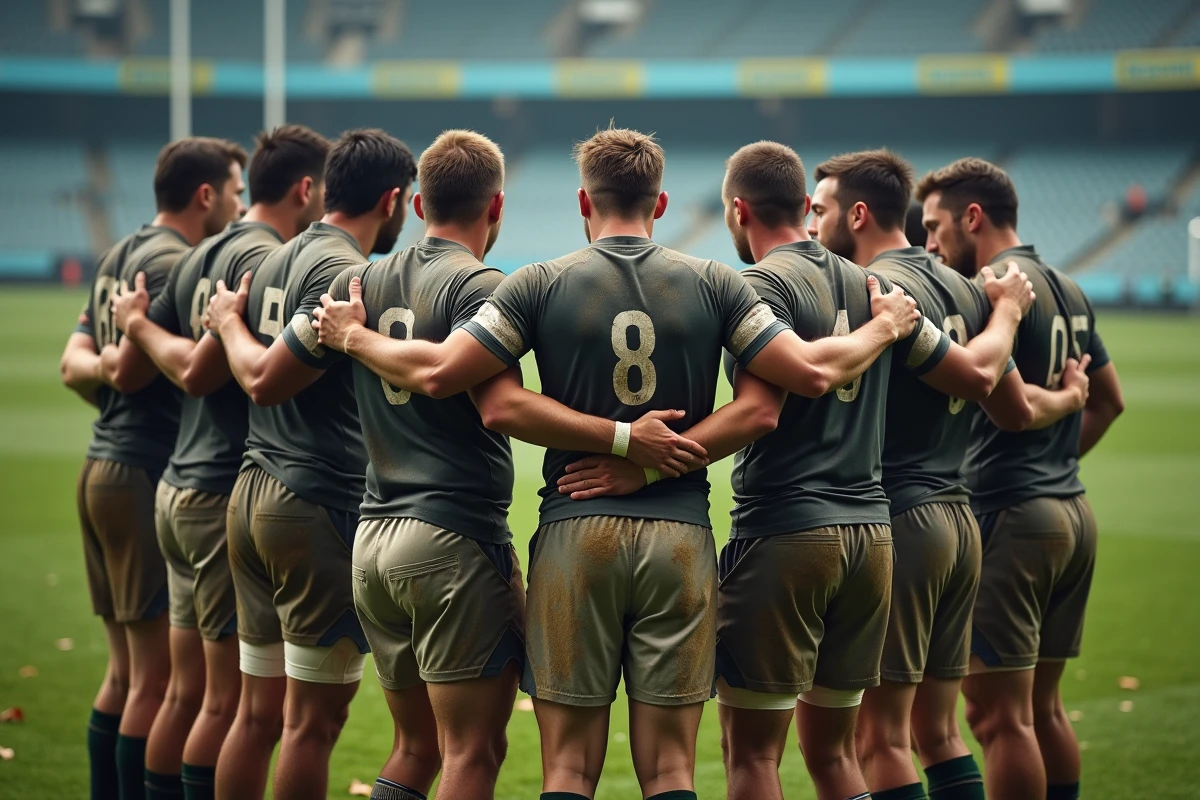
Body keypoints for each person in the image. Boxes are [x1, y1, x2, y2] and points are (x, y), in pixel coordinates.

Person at [312, 128, 920, 800]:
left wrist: (352, 336)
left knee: (567, 770)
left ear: (583, 200)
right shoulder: (717, 282)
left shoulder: (536, 284)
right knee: (672, 772)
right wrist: (649, 457)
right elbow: (768, 403)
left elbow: (483, 395)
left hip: (575, 534)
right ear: (660, 204)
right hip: (681, 540)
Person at [809, 149, 1088, 800]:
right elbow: (1014, 407)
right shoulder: (968, 287)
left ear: (854, 214)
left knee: (882, 739)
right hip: (962, 518)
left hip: (902, 518)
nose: (811, 225)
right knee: (940, 733)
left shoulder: (874, 290)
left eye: (818, 211)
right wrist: (1061, 387)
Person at [108, 125, 331, 800]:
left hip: (177, 485)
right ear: (305, 188)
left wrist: (140, 328)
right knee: (230, 707)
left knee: (185, 696)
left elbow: (178, 366)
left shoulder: (203, 251)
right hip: (217, 493)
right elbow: (206, 373)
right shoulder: (269, 259)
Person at [202, 128, 415, 800]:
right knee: (310, 725)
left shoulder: (275, 258)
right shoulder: (340, 271)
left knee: (256, 713)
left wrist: (229, 326)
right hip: (313, 500)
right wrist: (230, 330)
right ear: (393, 199)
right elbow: (266, 379)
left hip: (253, 489)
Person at [918, 157, 1125, 800]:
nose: (928, 244)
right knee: (1044, 709)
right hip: (1071, 510)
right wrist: (1057, 463)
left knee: (995, 715)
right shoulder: (1069, 285)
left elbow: (1015, 407)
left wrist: (1033, 465)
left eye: (933, 227)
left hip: (1011, 513)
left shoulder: (993, 290)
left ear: (971, 218)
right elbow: (1109, 399)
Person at [58, 136, 247, 800]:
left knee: (124, 675)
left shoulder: (122, 252)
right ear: (206, 195)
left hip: (101, 463)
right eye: (234, 190)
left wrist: (109, 372)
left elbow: (73, 366)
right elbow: (169, 369)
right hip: (143, 468)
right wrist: (137, 358)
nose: (238, 203)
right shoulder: (175, 263)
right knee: (156, 683)